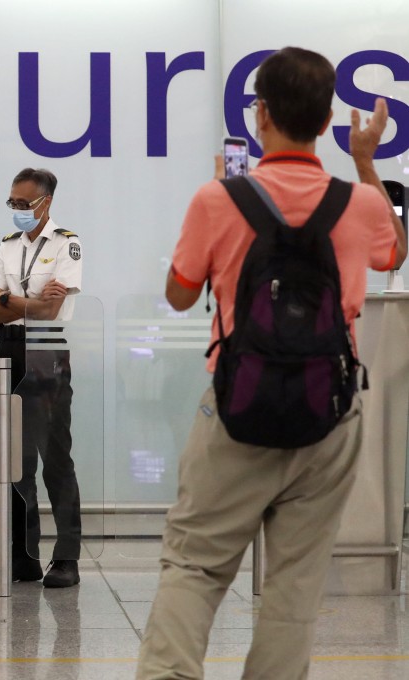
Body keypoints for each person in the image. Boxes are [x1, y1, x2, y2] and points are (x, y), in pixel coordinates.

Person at [135, 47, 407, 679]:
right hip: (331, 414)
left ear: (260, 114)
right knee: (295, 583)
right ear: (327, 120)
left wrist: (218, 207)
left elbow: (180, 295)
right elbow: (394, 254)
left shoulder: (218, 199)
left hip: (237, 408)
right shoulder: (359, 203)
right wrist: (365, 161)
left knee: (196, 564)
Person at [0, 168, 83, 588]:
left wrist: (11, 300)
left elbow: (50, 312)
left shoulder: (66, 244)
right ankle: (23, 557)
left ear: (46, 203)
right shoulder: (8, 245)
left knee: (54, 460)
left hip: (46, 355)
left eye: (24, 204)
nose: (18, 210)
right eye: (13, 203)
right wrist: (25, 302)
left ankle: (66, 559)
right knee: (16, 464)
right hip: (8, 353)